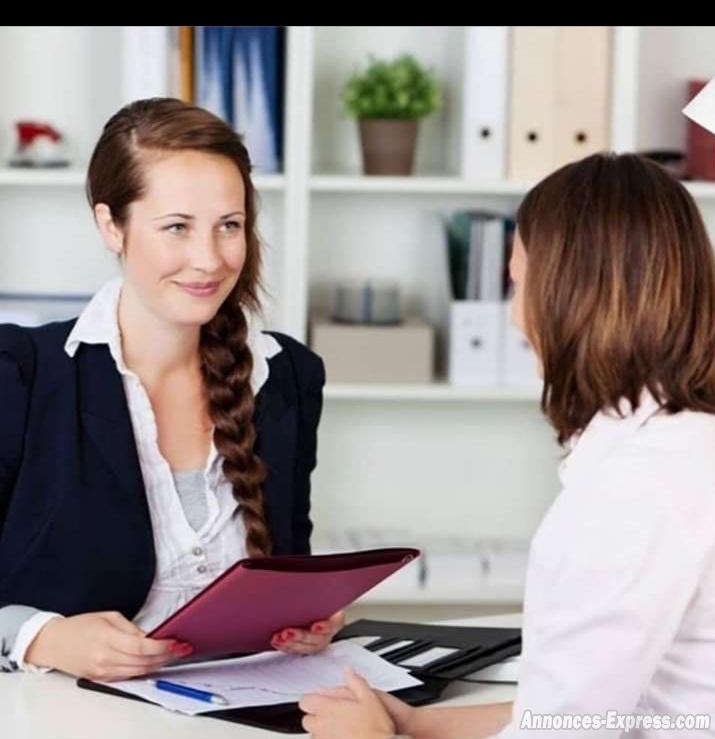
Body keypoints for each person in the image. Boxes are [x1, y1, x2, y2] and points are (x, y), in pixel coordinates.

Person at [300, 151, 715, 738]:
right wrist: (416, 725)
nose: (515, 318)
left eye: (518, 286)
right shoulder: (685, 445)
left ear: (568, 298)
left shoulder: (631, 494)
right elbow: (594, 707)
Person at [0, 97, 343, 682]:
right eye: (177, 227)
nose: (208, 260)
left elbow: (287, 567)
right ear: (111, 225)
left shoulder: (285, 374)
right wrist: (40, 638)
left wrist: (306, 618)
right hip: (71, 715)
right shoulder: (21, 375)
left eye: (229, 226)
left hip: (242, 707)